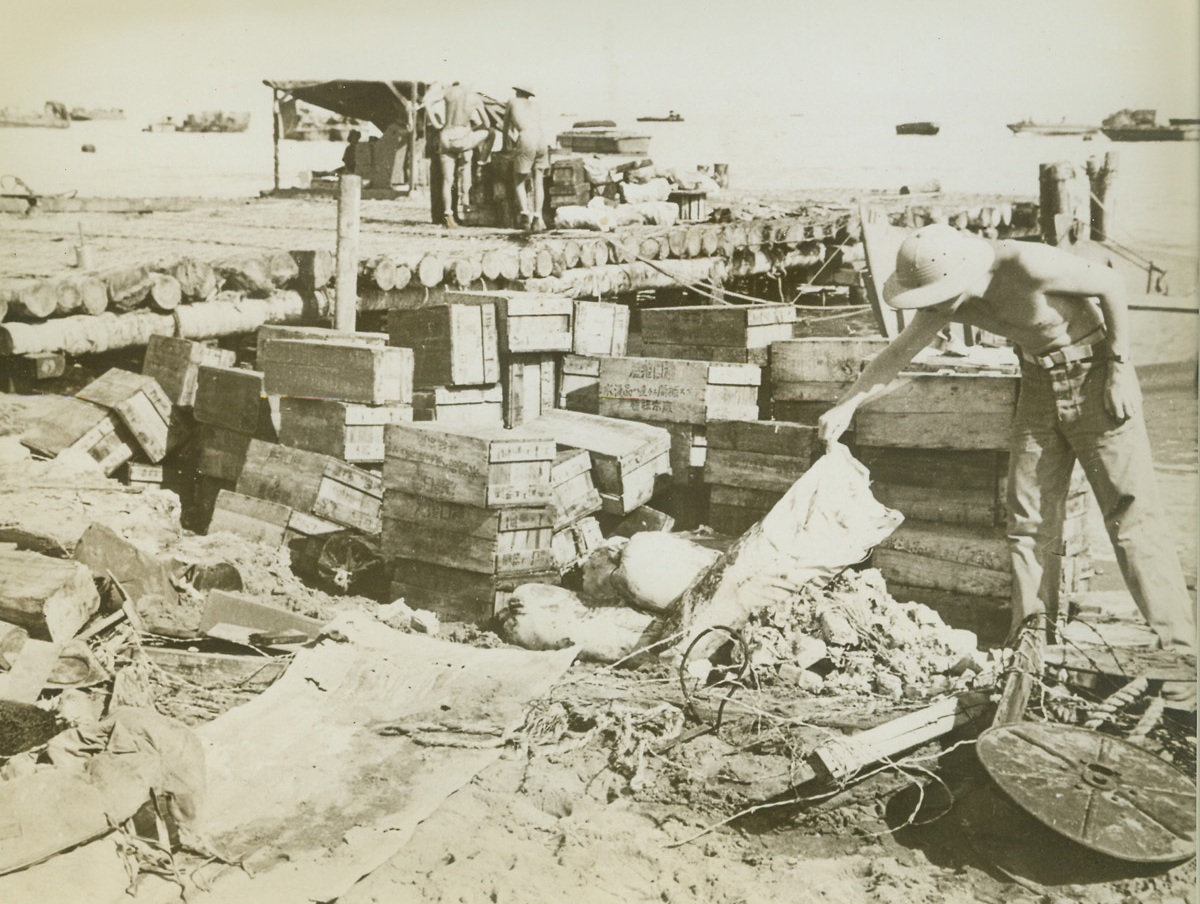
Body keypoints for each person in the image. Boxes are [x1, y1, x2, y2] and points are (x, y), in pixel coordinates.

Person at [816, 224, 1196, 680]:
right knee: (1029, 522)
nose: (931, 308)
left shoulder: (1026, 264)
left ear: (958, 276)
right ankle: (1033, 646)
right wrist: (848, 403)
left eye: (936, 297)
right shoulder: (946, 302)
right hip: (1037, 386)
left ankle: (1182, 654)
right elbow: (900, 353)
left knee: (1131, 518)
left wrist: (1119, 366)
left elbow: (1111, 284)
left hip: (1096, 373)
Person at [437, 81, 492, 227]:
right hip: (462, 137)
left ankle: (448, 216)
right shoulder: (474, 98)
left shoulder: (448, 93)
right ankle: (481, 161)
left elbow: (427, 102)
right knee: (489, 133)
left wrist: (436, 124)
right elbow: (487, 124)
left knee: (447, 180)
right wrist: (471, 131)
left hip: (446, 135)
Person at [503, 84, 548, 231]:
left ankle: (524, 215)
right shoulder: (536, 106)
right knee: (538, 181)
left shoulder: (512, 102)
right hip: (541, 138)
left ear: (518, 92)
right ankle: (537, 217)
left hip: (526, 137)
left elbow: (505, 128)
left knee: (519, 179)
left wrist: (506, 147)